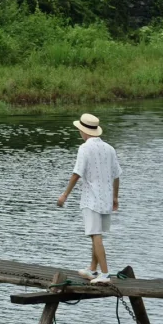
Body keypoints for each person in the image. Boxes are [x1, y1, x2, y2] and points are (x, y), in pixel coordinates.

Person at [56, 112, 121, 282]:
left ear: (83, 131)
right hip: (106, 198)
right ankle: (93, 269)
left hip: (91, 199)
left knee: (95, 235)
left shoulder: (84, 148)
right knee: (97, 233)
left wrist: (64, 195)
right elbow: (117, 175)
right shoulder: (110, 148)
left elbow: (76, 174)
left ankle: (105, 274)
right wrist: (115, 198)